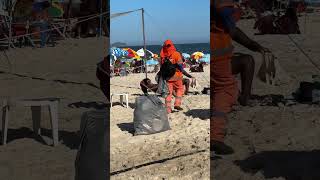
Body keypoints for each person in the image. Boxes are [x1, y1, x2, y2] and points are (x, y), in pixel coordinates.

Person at [211, 0, 270, 154]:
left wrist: (254, 46)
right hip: (217, 56)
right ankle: (216, 137)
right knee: (225, 90)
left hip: (215, 55)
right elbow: (231, 27)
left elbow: (231, 29)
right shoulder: (220, 4)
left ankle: (245, 97)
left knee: (246, 60)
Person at [160, 39, 185, 113]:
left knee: (168, 93)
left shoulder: (162, 55)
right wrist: (181, 69)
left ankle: (168, 109)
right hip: (177, 75)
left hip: (167, 77)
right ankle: (177, 103)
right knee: (180, 89)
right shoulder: (176, 53)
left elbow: (162, 66)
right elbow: (180, 65)